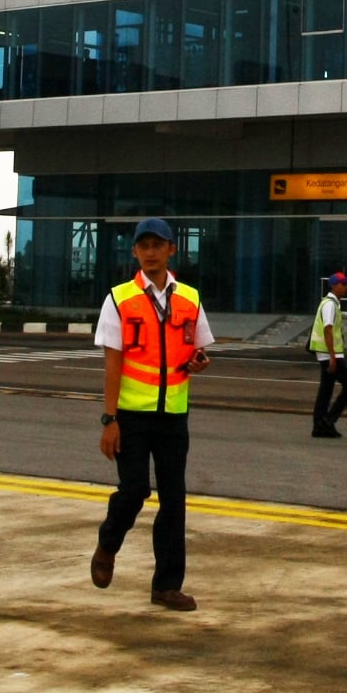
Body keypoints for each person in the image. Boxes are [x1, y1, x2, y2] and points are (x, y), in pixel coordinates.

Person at [91, 218, 214, 612]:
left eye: (157, 244)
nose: (150, 251)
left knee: (174, 499)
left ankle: (166, 585)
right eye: (143, 245)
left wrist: (198, 361)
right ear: (134, 252)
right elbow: (113, 364)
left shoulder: (190, 299)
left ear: (171, 250)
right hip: (131, 415)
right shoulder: (119, 299)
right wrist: (109, 421)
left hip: (174, 415)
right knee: (134, 491)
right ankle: (108, 543)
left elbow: (198, 349)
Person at [312, 270, 347, 438]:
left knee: (326, 391)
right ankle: (328, 420)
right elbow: (328, 330)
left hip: (327, 354)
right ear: (333, 285)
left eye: (346, 284)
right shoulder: (330, 304)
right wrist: (332, 357)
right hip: (331, 355)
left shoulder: (332, 303)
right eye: (342, 284)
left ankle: (319, 426)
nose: (345, 287)